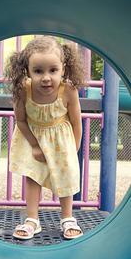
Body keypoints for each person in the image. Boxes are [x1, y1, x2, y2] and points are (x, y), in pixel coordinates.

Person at [5, 35, 85, 240]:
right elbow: (21, 121)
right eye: (38, 71)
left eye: (53, 70)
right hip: (33, 137)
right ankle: (32, 219)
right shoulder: (23, 90)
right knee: (33, 176)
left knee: (66, 177)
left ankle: (67, 217)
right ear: (27, 71)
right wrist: (34, 145)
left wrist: (73, 148)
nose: (46, 77)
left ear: (63, 69)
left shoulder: (68, 90)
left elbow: (77, 122)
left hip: (61, 140)